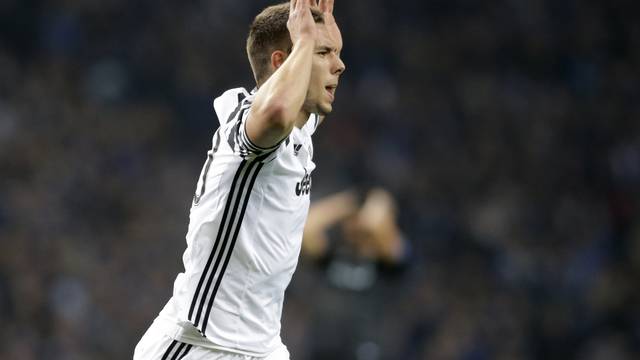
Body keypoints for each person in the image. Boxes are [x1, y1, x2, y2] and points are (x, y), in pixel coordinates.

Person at [133, 1, 345, 359]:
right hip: (202, 346)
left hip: (260, 349)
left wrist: (318, 35)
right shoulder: (251, 130)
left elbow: (295, 105)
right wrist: (308, 40)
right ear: (281, 62)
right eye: (323, 52)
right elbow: (276, 110)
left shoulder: (299, 127)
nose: (339, 65)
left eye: (336, 53)